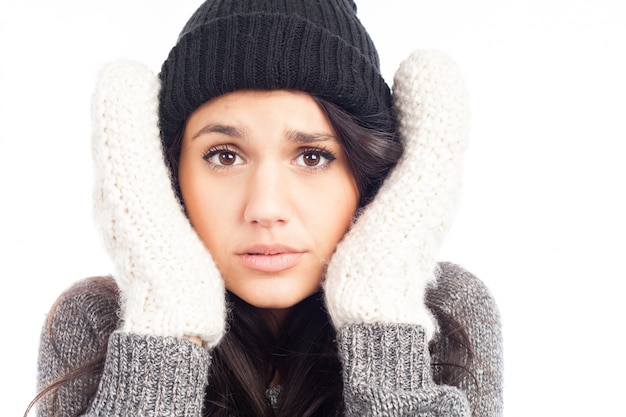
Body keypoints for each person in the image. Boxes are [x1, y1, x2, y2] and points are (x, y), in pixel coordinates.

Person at [29, 1, 503, 416]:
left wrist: (382, 315)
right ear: (165, 176)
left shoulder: (446, 314)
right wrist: (165, 322)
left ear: (368, 176)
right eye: (225, 156)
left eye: (313, 157)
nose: (266, 207)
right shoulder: (98, 321)